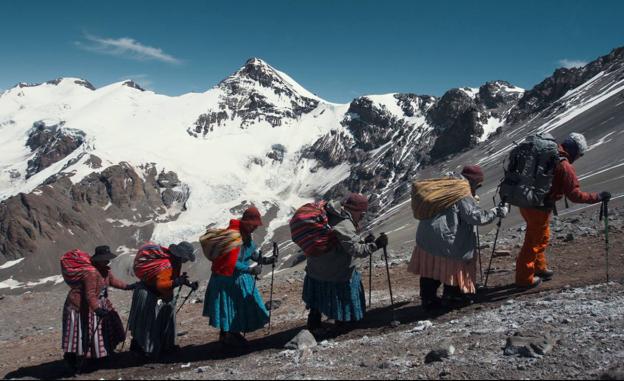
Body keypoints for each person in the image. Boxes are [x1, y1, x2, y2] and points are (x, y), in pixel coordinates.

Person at [515, 132, 611, 288]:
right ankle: (523, 278)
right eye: (579, 154)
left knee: (541, 236)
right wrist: (598, 197)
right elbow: (575, 195)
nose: (578, 157)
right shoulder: (564, 165)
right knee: (533, 241)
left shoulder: (548, 155)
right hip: (539, 207)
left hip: (527, 201)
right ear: (575, 150)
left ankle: (539, 268)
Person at [407, 165, 507, 310]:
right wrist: (496, 211)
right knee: (453, 267)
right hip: (446, 239)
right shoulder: (462, 192)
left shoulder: (447, 184)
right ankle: (453, 296)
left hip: (426, 236)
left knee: (430, 269)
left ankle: (428, 299)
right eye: (477, 185)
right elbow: (475, 217)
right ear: (473, 182)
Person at [303, 193, 386, 331]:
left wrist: (363, 241)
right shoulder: (345, 223)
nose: (362, 216)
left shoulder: (330, 215)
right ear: (358, 210)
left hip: (315, 268)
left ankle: (314, 321)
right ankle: (343, 320)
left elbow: (342, 243)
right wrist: (376, 245)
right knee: (349, 281)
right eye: (362, 213)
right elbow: (356, 251)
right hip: (335, 271)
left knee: (317, 298)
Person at [203, 206, 275, 347]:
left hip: (235, 278)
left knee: (234, 305)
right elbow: (231, 262)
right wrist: (249, 270)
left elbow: (250, 253)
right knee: (229, 306)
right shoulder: (234, 236)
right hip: (226, 278)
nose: (255, 228)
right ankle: (227, 336)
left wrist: (265, 260)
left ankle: (232, 334)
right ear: (247, 222)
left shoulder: (245, 235)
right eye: (254, 225)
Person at [61, 246, 136, 372]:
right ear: (97, 259)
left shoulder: (104, 270)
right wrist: (97, 309)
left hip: (97, 302)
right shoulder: (91, 273)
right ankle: (74, 359)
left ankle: (100, 355)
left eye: (107, 259)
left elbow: (112, 281)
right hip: (80, 306)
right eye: (104, 259)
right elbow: (89, 294)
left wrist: (128, 286)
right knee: (82, 333)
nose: (107, 261)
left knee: (106, 326)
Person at [128, 241, 197, 358]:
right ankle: (144, 350)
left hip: (154, 293)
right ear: (180, 255)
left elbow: (173, 278)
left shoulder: (175, 262)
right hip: (148, 294)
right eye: (186, 258)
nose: (186, 261)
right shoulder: (167, 265)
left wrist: (188, 283)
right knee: (147, 323)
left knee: (158, 321)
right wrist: (176, 282)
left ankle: (163, 346)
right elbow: (161, 285)